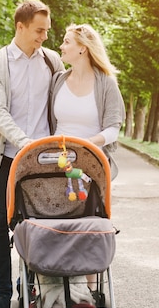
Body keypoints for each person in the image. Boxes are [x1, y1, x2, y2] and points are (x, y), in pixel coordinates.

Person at [0, 0, 64, 308]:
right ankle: (2, 295)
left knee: (39, 224)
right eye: (39, 31)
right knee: (0, 223)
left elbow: (66, 101)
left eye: (47, 31)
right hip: (6, 156)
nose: (44, 37)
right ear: (21, 27)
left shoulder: (53, 62)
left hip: (43, 160)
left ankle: (31, 290)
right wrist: (25, 142)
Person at [49, 23, 125, 292]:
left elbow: (114, 128)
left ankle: (93, 292)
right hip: (56, 164)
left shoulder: (106, 83)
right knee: (54, 222)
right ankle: (53, 284)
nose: (61, 46)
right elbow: (51, 123)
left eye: (66, 42)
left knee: (90, 226)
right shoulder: (59, 80)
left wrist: (86, 145)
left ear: (82, 48)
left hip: (92, 165)